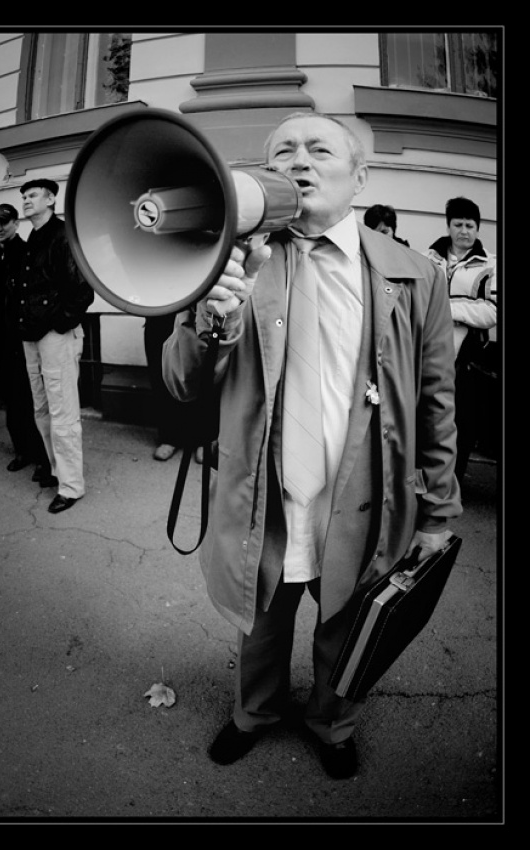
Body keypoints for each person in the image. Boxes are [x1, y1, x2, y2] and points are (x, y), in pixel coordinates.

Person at [162, 112, 462, 779]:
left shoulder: (417, 275)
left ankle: (333, 722)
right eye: (282, 152)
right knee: (261, 621)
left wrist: (438, 512)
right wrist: (211, 316)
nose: (298, 160)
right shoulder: (229, 260)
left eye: (319, 148)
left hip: (364, 497)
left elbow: (437, 403)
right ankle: (254, 713)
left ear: (359, 175)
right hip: (265, 494)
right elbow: (182, 385)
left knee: (347, 623)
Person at [18, 178, 94, 514]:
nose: (26, 200)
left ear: (50, 199)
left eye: (33, 195)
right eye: (24, 196)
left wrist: (57, 325)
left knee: (63, 413)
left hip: (55, 336)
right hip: (32, 334)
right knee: (42, 408)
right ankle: (54, 469)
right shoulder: (34, 238)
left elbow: (82, 292)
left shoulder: (63, 236)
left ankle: (71, 485)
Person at [426, 197, 497, 482]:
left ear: (477, 229)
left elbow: (492, 311)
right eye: (458, 224)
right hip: (428, 353)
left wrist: (447, 308)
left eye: (470, 225)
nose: (464, 231)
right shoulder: (429, 259)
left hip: (467, 360)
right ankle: (425, 480)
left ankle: (452, 483)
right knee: (428, 417)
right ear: (449, 226)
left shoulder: (490, 264)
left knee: (461, 423)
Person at [0, 204, 49, 474]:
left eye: (4, 223)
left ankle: (43, 457)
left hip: (20, 341)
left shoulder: (26, 254)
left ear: (16, 223)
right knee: (10, 398)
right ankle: (22, 450)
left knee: (31, 399)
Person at [144, 314, 204, 463]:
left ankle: (204, 438)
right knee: (160, 368)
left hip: (200, 311)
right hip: (162, 310)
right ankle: (169, 436)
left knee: (204, 368)